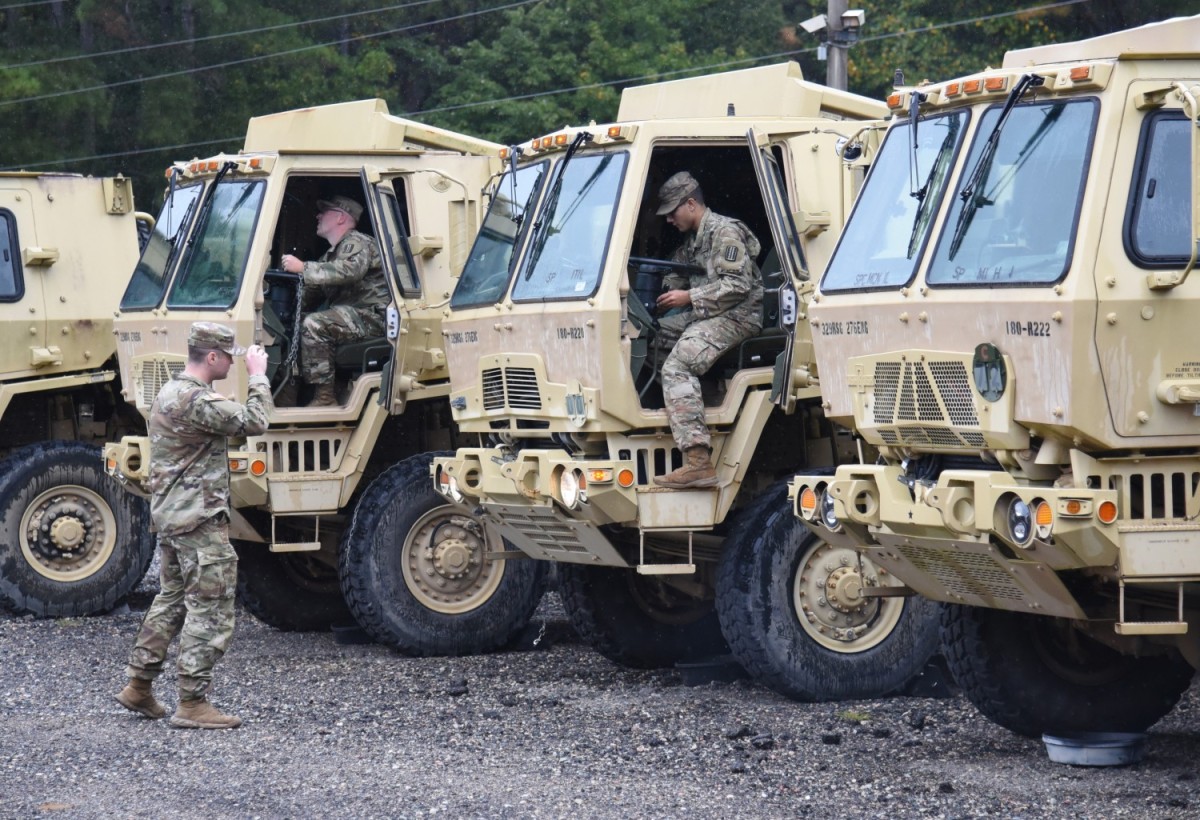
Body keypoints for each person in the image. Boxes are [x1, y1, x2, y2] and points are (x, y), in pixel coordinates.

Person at [114, 322, 272, 729]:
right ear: (213, 357)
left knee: (171, 600)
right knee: (212, 608)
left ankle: (139, 686)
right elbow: (257, 420)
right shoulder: (196, 400)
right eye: (229, 357)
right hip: (198, 519)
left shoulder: (171, 391)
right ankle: (192, 703)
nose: (232, 363)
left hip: (173, 515)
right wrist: (258, 375)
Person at [651, 172, 763, 489]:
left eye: (673, 212)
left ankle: (698, 462)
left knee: (677, 366)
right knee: (654, 339)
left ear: (691, 204)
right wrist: (666, 292)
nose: (670, 219)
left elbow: (738, 285)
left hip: (739, 315)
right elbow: (678, 268)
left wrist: (688, 297)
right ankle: (692, 406)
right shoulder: (696, 240)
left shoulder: (725, 232)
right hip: (710, 314)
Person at [279, 195, 386, 407]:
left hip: (373, 317)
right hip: (352, 318)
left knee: (315, 324)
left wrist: (303, 268)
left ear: (339, 218)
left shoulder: (357, 242)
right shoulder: (331, 255)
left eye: (324, 211)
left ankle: (325, 398)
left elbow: (349, 272)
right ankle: (287, 392)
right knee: (293, 326)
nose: (318, 216)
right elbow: (314, 289)